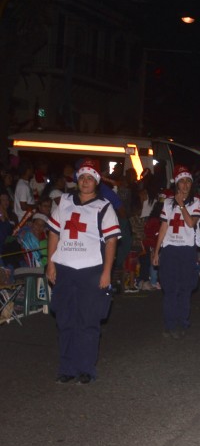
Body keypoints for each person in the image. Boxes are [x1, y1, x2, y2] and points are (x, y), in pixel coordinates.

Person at [44, 159, 120, 384]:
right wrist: (51, 263)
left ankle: (86, 368)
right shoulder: (64, 202)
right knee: (66, 320)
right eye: (83, 177)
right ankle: (67, 367)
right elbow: (54, 234)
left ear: (96, 182)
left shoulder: (104, 207)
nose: (86, 181)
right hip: (65, 269)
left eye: (91, 178)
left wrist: (107, 272)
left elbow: (111, 241)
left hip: (91, 270)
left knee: (88, 321)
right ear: (78, 180)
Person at [152, 165, 200, 338]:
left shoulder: (197, 202)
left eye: (188, 181)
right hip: (170, 251)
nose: (185, 185)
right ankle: (170, 324)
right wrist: (156, 252)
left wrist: (182, 205)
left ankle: (182, 321)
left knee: (185, 288)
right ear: (177, 184)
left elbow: (191, 223)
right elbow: (163, 227)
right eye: (181, 181)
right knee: (169, 288)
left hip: (187, 250)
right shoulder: (167, 203)